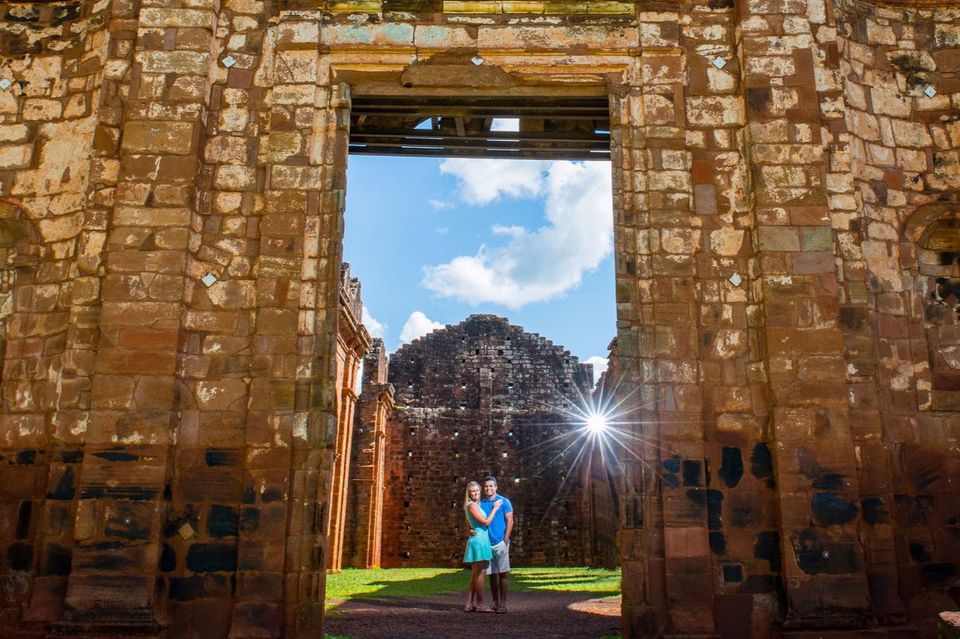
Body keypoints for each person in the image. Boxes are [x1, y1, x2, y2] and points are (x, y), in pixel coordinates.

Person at [462, 480, 502, 613]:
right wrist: (495, 508)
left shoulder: (475, 505)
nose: (476, 493)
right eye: (473, 491)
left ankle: (469, 603)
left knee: (475, 574)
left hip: (480, 538)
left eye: (477, 490)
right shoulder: (472, 505)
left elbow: (468, 522)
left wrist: (468, 529)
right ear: (469, 493)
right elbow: (485, 522)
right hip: (479, 540)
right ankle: (480, 604)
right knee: (480, 574)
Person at [480, 476, 513, 613]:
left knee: (502, 573)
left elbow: (510, 520)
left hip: (500, 542)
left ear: (496, 487)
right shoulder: (482, 504)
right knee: (492, 574)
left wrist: (506, 538)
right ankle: (495, 602)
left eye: (491, 486)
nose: (488, 488)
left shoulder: (504, 501)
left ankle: (503, 604)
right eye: (486, 486)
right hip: (487, 543)